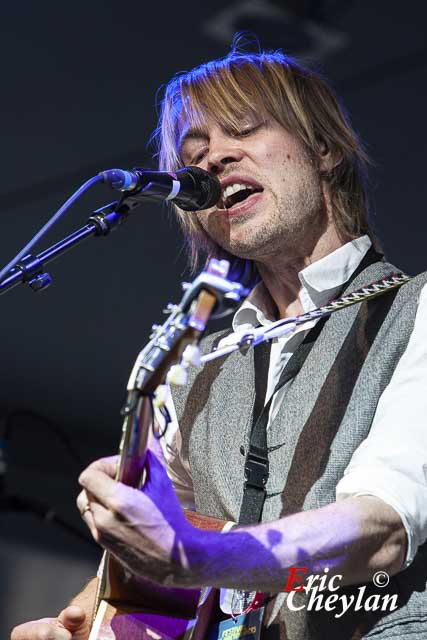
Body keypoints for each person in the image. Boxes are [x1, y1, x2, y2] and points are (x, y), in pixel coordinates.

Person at [11, 44, 427, 640]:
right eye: (194, 155)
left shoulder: (418, 310)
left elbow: (381, 529)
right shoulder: (200, 362)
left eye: (244, 130)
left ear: (325, 148)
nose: (215, 160)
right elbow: (162, 562)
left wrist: (193, 557)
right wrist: (84, 622)